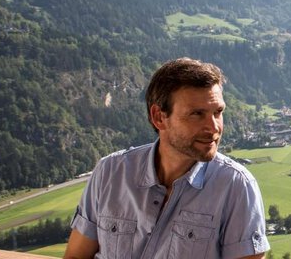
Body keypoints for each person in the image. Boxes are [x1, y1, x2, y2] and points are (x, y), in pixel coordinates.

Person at [65, 58, 269, 259]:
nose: (214, 127)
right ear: (159, 117)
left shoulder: (236, 186)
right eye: (197, 114)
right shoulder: (110, 172)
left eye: (218, 112)